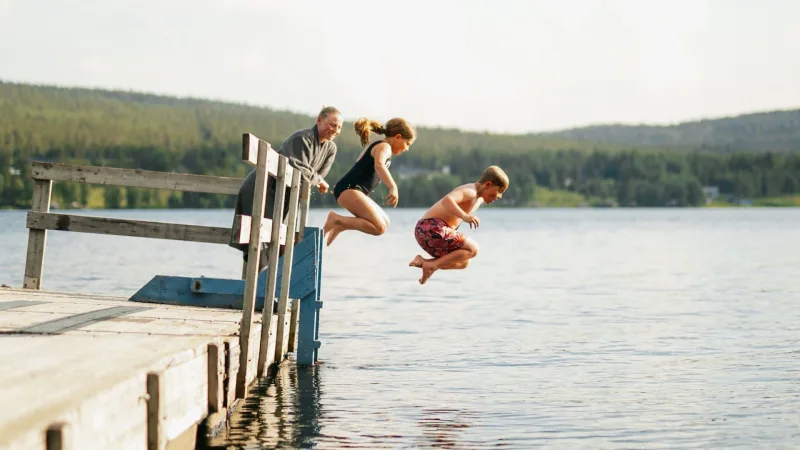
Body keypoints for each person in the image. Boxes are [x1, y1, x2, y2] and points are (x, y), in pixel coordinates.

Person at [231, 106, 343, 261]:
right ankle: (258, 282)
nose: (335, 130)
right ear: (319, 120)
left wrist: (317, 179)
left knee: (279, 241)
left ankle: (271, 281)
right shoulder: (302, 138)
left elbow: (318, 175)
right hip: (263, 187)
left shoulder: (331, 148)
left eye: (339, 127)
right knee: (259, 242)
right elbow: (297, 166)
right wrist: (318, 180)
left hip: (285, 196)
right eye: (332, 124)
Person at [322, 117, 416, 246]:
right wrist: (393, 186)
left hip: (350, 189)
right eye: (407, 143)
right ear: (398, 137)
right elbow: (379, 165)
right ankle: (337, 220)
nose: (407, 149)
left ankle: (342, 225)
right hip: (349, 189)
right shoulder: (385, 146)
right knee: (379, 227)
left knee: (385, 221)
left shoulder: (378, 146)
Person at [409, 165, 509, 284]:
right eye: (500, 191)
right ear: (488, 185)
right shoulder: (471, 191)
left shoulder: (479, 197)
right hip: (431, 228)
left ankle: (424, 262)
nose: (500, 196)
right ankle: (432, 266)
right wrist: (465, 216)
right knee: (473, 249)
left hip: (425, 233)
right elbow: (448, 200)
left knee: (463, 261)